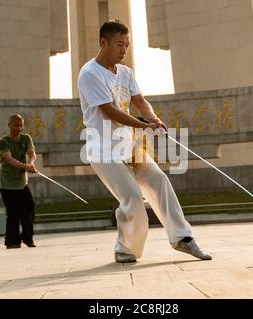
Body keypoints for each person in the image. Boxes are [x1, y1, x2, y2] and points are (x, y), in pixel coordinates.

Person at [77, 20, 212, 263]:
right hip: (103, 150)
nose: (123, 50)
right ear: (103, 42)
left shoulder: (126, 73)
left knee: (159, 179)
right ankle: (126, 249)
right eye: (119, 44)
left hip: (129, 145)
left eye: (127, 45)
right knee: (132, 197)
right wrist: (144, 126)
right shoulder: (89, 74)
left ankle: (183, 238)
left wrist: (154, 119)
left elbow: (139, 101)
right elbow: (110, 112)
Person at [0, 114, 38, 249]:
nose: (19, 128)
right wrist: (25, 167)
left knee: (29, 207)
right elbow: (9, 159)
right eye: (16, 125)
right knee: (13, 212)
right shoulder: (3, 142)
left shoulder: (26, 138)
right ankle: (12, 241)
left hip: (22, 183)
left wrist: (31, 164)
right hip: (7, 184)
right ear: (9, 125)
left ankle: (27, 238)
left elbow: (32, 153)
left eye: (21, 125)